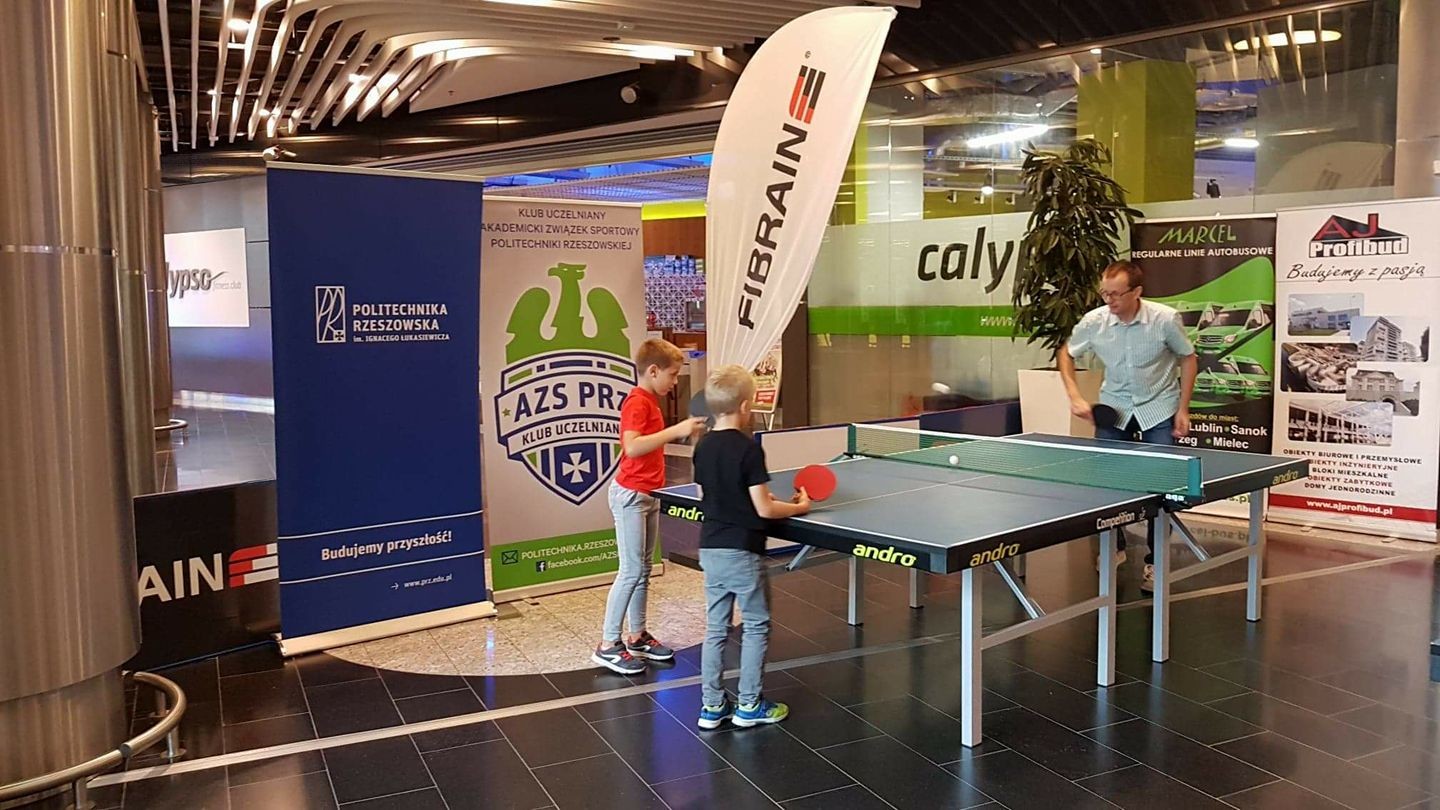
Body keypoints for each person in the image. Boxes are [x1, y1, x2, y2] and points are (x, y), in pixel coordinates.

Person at [1058, 260, 1198, 592]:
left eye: (1116, 294)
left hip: (1158, 406)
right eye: (1104, 293)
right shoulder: (1094, 322)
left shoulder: (1164, 320)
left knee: (1161, 490)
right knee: (1106, 486)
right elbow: (1066, 354)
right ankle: (1114, 547)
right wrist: (1074, 395)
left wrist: (1183, 409)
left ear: (1136, 292)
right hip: (1115, 408)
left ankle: (1155, 563)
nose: (1109, 300)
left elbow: (1188, 357)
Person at [692, 364, 810, 729]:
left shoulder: (703, 446)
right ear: (745, 406)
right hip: (742, 550)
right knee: (756, 625)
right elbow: (765, 509)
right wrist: (800, 507)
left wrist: (749, 499)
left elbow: (707, 495)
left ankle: (712, 706)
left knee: (716, 629)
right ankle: (749, 705)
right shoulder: (748, 449)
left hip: (711, 549)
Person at [592, 339, 706, 675]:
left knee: (643, 569)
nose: (675, 381)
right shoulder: (637, 402)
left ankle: (637, 635)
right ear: (653, 371)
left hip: (649, 494)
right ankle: (607, 644)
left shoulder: (651, 402)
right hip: (630, 496)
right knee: (630, 571)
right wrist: (676, 430)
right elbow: (632, 447)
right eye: (672, 375)